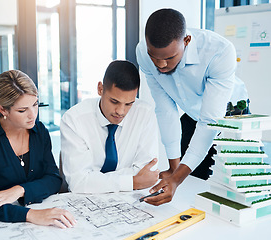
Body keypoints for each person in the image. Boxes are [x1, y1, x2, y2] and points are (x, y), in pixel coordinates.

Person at [136, 9, 249, 205]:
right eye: (154, 57)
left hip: (232, 116)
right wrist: (174, 171)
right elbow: (165, 109)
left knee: (232, 189)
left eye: (169, 58)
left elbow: (209, 121)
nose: (161, 65)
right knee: (188, 181)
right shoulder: (143, 53)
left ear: (186, 40)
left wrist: (176, 178)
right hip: (193, 113)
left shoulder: (220, 52)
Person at [0, 70, 76, 228]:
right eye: (22, 110)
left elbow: (53, 179)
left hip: (42, 221)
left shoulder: (40, 131)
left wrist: (19, 190)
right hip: (0, 227)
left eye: (35, 105)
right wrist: (30, 215)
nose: (32, 115)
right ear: (3, 110)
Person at [60, 60, 160, 193]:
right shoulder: (74, 119)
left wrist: (95, 180)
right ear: (100, 89)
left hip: (128, 199)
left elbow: (148, 172)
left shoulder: (144, 113)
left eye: (129, 103)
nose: (120, 111)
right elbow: (79, 183)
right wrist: (133, 181)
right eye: (114, 101)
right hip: (84, 201)